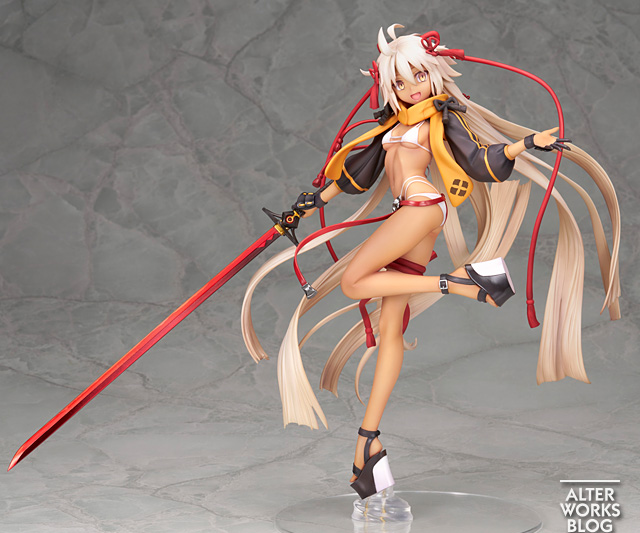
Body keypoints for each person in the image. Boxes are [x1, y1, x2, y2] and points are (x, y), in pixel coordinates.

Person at [241, 24, 621, 499]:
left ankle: (461, 284)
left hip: (422, 210)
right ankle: (368, 444)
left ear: (434, 73)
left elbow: (479, 160)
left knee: (354, 282)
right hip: (410, 215)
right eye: (400, 81)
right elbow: (354, 177)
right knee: (390, 331)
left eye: (418, 76)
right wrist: (304, 206)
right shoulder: (390, 127)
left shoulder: (439, 120)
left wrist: (525, 145)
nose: (410, 87)